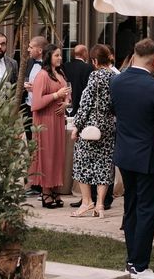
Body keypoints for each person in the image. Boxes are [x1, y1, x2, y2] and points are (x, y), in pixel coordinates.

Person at [110, 38, 154, 279]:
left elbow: (115, 111)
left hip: (126, 154)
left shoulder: (117, 82)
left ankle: (132, 260)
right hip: (149, 156)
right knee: (147, 210)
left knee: (132, 207)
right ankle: (139, 265)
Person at [70, 44, 117, 219]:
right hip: (108, 125)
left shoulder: (95, 76)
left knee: (82, 162)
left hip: (91, 125)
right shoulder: (115, 76)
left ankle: (86, 201)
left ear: (95, 61)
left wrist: (76, 126)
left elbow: (86, 103)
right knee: (105, 164)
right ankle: (100, 205)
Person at [30, 44, 70, 208]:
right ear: (48, 57)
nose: (60, 58)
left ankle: (55, 190)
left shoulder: (60, 74)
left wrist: (66, 102)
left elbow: (67, 92)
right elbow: (36, 103)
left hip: (58, 120)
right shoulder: (42, 75)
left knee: (57, 155)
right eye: (57, 55)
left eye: (60, 55)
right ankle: (46, 192)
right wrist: (56, 95)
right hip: (45, 121)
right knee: (47, 155)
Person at [63, 44, 93, 117]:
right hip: (82, 103)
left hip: (66, 102)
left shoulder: (65, 66)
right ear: (84, 53)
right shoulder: (88, 68)